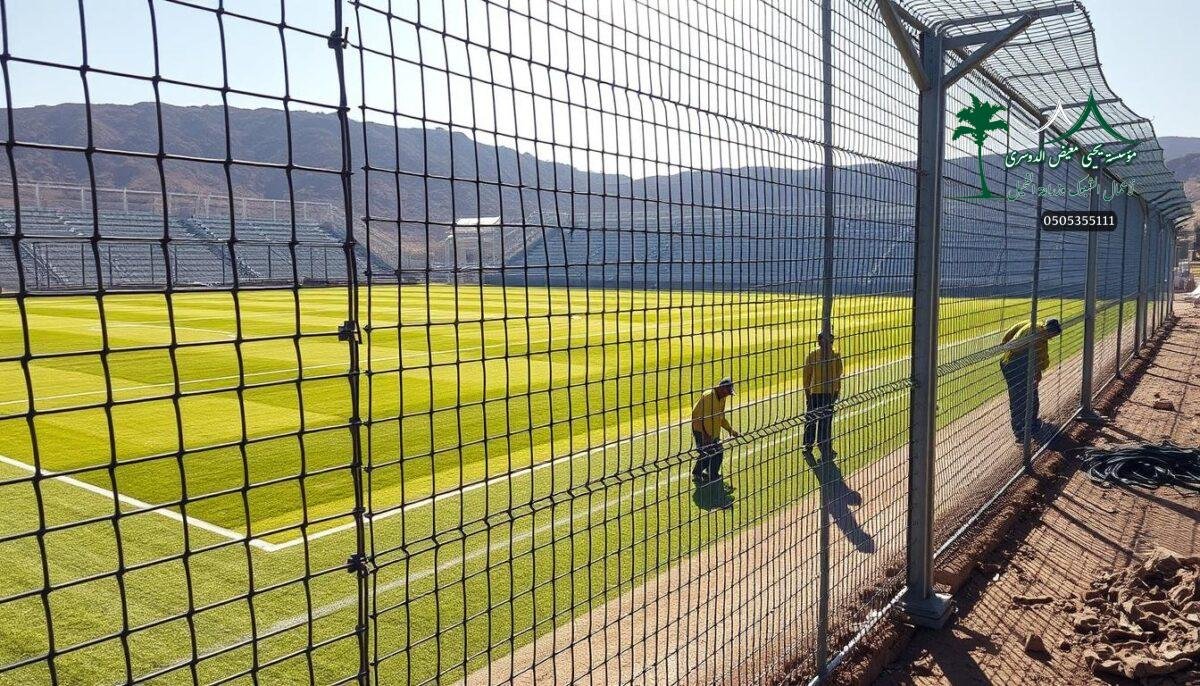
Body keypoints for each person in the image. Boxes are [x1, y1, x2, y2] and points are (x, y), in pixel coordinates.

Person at [999, 317, 1061, 442]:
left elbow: (1013, 330)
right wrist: (1038, 371)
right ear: (1049, 331)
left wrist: (1004, 343)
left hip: (1010, 361)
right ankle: (1020, 431)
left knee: (1030, 393)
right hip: (1015, 365)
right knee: (1019, 397)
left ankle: (1031, 423)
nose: (1051, 338)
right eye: (1052, 335)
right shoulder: (1039, 337)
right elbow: (1042, 359)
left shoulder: (1034, 324)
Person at [691, 377, 740, 483]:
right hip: (701, 429)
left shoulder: (722, 397)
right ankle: (697, 474)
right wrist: (705, 435)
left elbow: (720, 417)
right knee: (707, 452)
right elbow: (701, 418)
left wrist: (730, 430)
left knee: (718, 451)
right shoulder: (709, 396)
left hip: (713, 430)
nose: (727, 395)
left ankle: (712, 474)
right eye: (727, 391)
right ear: (721, 388)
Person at [803, 331, 843, 460]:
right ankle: (816, 445)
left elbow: (838, 374)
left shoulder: (830, 355)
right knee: (819, 420)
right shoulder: (825, 354)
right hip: (821, 393)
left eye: (831, 342)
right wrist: (808, 393)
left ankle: (815, 444)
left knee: (818, 419)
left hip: (822, 393)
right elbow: (807, 376)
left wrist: (836, 390)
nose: (830, 344)